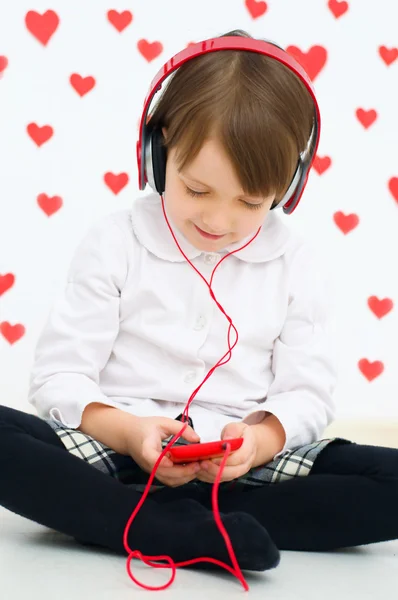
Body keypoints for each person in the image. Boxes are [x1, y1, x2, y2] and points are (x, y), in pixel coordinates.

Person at [1, 29, 398, 580]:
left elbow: (306, 392)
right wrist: (130, 433)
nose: (218, 221)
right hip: (116, 454)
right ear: (158, 151)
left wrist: (258, 442)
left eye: (249, 202)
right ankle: (166, 528)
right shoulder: (116, 241)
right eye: (196, 190)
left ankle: (161, 522)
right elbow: (59, 376)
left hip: (237, 471)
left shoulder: (297, 263)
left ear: (291, 184)